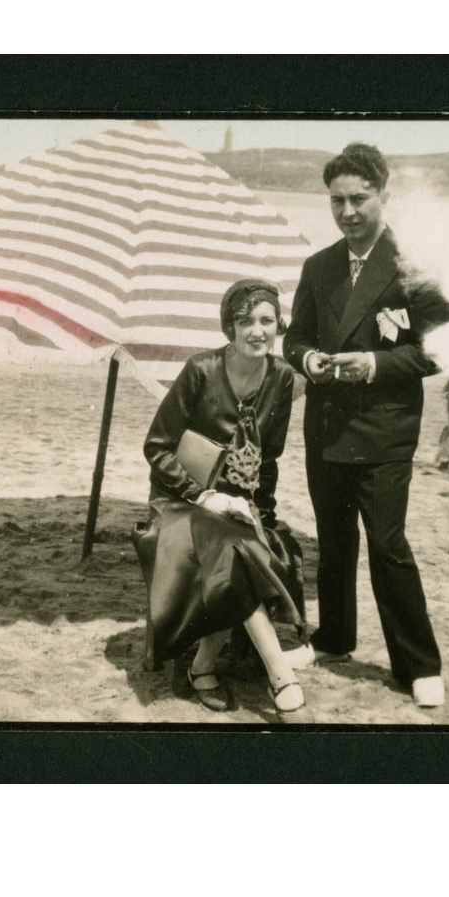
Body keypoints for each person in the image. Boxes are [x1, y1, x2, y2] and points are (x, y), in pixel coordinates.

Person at [282, 142, 449, 708]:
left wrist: (374, 364)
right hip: (327, 426)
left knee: (387, 545)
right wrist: (308, 361)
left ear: (384, 194)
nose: (348, 212)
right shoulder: (318, 265)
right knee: (333, 543)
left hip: (385, 431)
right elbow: (295, 336)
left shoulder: (414, 264)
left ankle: (417, 665)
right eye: (337, 201)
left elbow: (440, 350)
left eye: (359, 199)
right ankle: (333, 639)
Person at [132, 278, 307, 718]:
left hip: (238, 502)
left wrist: (263, 515)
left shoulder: (284, 377)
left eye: (266, 321)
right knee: (233, 547)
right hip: (180, 500)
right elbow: (157, 447)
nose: (257, 331)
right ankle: (280, 673)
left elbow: (269, 459)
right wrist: (203, 495)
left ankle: (204, 664)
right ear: (229, 326)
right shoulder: (200, 370)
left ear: (278, 324)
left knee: (250, 542)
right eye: (245, 321)